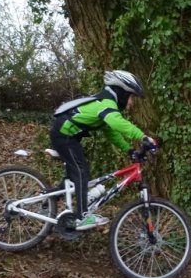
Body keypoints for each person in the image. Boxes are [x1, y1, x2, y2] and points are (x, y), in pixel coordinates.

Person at [50, 70, 156, 230]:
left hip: (68, 136)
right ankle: (82, 217)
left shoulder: (105, 105)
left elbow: (111, 132)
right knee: (81, 171)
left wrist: (129, 150)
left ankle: (49, 202)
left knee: (76, 175)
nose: (131, 103)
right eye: (131, 97)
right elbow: (116, 122)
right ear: (121, 92)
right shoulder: (106, 103)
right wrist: (143, 137)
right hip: (64, 135)